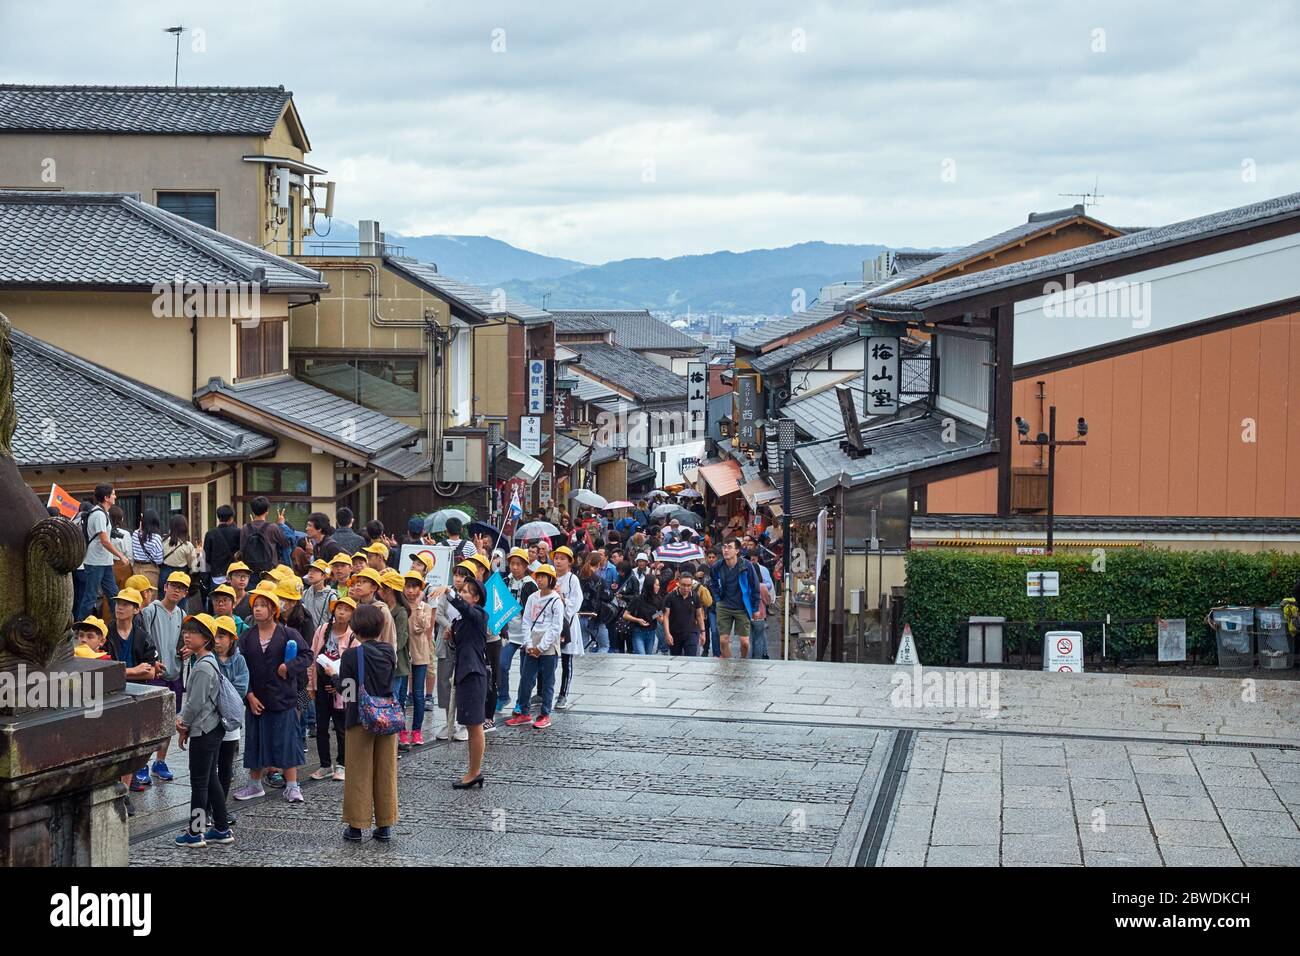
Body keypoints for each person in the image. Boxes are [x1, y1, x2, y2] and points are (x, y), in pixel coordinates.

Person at [231, 584, 311, 804]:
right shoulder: (246, 636)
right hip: (257, 698)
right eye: (255, 605)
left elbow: (307, 655)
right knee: (255, 741)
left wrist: (290, 666)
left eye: (263, 606)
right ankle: (254, 784)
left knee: (287, 741)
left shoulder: (287, 633)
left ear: (273, 610)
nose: (257, 610)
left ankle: (293, 786)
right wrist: (249, 695)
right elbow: (240, 669)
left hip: (283, 697)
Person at [338, 603, 399, 842]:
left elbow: (348, 692)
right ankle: (384, 825)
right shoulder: (388, 652)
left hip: (360, 719)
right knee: (385, 771)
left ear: (355, 628)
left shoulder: (351, 655)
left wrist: (336, 675)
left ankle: (356, 825)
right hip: (387, 717)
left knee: (359, 772)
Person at [173, 613, 234, 848]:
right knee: (210, 780)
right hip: (213, 728)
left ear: (206, 638)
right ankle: (221, 827)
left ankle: (195, 831)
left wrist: (182, 724)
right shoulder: (208, 662)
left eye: (194, 632)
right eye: (186, 631)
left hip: (204, 730)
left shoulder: (203, 667)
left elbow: (194, 703)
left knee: (199, 783)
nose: (187, 636)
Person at [131, 570, 191, 791]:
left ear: (185, 593)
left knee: (168, 721)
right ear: (165, 586)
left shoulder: (182, 613)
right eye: (174, 586)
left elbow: (184, 641)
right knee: (150, 721)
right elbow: (143, 640)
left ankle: (161, 761)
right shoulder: (150, 611)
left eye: (182, 588)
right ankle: (142, 765)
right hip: (155, 674)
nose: (177, 590)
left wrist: (186, 651)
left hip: (174, 672)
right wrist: (151, 660)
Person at [430, 573, 490, 788]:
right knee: (471, 723)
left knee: (475, 726)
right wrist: (451, 639)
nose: (462, 594)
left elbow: (465, 609)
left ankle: (474, 772)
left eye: (466, 592)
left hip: (473, 674)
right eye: (461, 590)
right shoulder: (462, 620)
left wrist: (449, 591)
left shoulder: (479, 614)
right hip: (465, 672)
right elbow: (461, 647)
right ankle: (473, 771)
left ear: (476, 599)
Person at [505, 564, 565, 729]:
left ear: (551, 579)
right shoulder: (532, 597)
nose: (539, 579)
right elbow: (526, 621)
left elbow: (556, 627)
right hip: (531, 641)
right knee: (526, 679)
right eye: (538, 576)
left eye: (543, 576)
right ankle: (524, 713)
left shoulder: (556, 600)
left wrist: (541, 646)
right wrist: (529, 644)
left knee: (547, 681)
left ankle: (545, 714)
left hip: (548, 644)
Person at [308, 595, 354, 782]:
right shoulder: (323, 629)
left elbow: (353, 667)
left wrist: (339, 686)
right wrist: (310, 685)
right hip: (321, 685)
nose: (341, 612)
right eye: (338, 608)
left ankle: (343, 764)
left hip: (342, 687)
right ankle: (325, 765)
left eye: (346, 609)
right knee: (321, 727)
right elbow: (312, 657)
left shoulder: (354, 635)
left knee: (342, 728)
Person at [212, 615, 248, 828]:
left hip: (231, 719)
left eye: (222, 636)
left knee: (226, 765)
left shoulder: (239, 660)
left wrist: (224, 696)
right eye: (215, 636)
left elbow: (241, 688)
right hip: (210, 720)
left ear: (232, 639)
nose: (217, 640)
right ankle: (207, 808)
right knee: (210, 766)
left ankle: (221, 807)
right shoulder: (206, 658)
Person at [77, 483, 127, 620]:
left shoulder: (103, 513)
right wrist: (121, 555)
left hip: (103, 561)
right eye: (113, 494)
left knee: (113, 594)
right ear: (106, 497)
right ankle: (80, 628)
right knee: (90, 596)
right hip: (95, 561)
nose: (115, 496)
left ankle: (118, 623)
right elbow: (104, 540)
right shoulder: (99, 514)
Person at [497, 548, 538, 713]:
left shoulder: (530, 584)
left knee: (525, 671)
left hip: (526, 633)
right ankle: (503, 695)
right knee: (501, 664)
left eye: (518, 564)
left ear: (525, 566)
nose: (514, 567)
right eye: (512, 563)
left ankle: (522, 701)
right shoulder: (506, 581)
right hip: (509, 633)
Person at [378, 570, 412, 750]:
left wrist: (383, 652)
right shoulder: (383, 608)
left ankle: (398, 735)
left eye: (382, 587)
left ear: (389, 589)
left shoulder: (400, 611)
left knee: (395, 699)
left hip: (396, 664)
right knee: (389, 698)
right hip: (384, 663)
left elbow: (400, 639)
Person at [711, 539, 761, 659]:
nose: (726, 550)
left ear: (737, 551)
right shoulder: (717, 566)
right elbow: (713, 583)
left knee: (744, 642)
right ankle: (728, 664)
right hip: (724, 605)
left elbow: (755, 586)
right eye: (724, 547)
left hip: (742, 606)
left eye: (729, 547)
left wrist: (755, 608)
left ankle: (742, 662)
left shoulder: (746, 565)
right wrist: (717, 599)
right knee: (723, 641)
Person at [550, 546, 584, 710]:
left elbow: (576, 603)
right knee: (548, 660)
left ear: (569, 562)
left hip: (567, 625)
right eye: (556, 558)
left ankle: (563, 694)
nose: (558, 561)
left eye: (562, 558)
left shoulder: (572, 580)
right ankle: (544, 692)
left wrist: (562, 599)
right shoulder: (550, 575)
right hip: (550, 624)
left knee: (566, 661)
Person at [403, 572, 434, 746]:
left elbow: (420, 627)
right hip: (403, 654)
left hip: (420, 654)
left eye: (415, 587)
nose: (411, 591)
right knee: (400, 695)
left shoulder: (425, 607)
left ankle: (417, 730)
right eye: (408, 586)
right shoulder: (400, 607)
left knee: (418, 694)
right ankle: (402, 730)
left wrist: (417, 606)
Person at [238, 496, 286, 578]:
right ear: (267, 511)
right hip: (269, 572)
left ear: (252, 511)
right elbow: (285, 544)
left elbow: (242, 548)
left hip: (249, 571)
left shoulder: (245, 528)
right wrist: (281, 525)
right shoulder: (273, 527)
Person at [664, 569, 705, 656]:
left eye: (689, 585)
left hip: (691, 633)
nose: (686, 588)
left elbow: (699, 615)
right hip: (675, 633)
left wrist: (703, 632)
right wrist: (667, 633)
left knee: (691, 659)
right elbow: (666, 616)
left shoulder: (695, 596)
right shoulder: (670, 597)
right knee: (675, 659)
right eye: (684, 585)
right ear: (679, 583)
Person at [159, 515, 200, 601]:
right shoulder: (188, 545)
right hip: (181, 575)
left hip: (164, 573)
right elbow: (194, 566)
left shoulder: (163, 541)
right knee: (181, 602)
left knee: (163, 601)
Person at [202, 505, 242, 589]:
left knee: (217, 600)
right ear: (231, 518)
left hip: (216, 576)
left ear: (218, 517)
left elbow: (206, 557)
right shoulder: (238, 532)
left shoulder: (210, 534)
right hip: (233, 575)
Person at [579, 552, 611, 653]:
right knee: (604, 645)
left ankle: (584, 667)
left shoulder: (578, 577)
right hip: (595, 618)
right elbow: (608, 596)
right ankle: (597, 668)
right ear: (598, 564)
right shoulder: (599, 580)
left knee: (583, 648)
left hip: (580, 616)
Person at [625, 575, 665, 655]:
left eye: (659, 585)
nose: (658, 587)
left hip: (651, 632)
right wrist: (637, 620)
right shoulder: (638, 599)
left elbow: (661, 616)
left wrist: (656, 615)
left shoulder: (659, 600)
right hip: (638, 632)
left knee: (648, 657)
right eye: (656, 585)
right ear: (650, 585)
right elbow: (625, 615)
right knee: (641, 656)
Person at [748, 552, 775, 660]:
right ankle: (758, 658)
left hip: (748, 614)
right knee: (759, 637)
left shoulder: (746, 585)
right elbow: (767, 601)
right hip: (760, 616)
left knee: (749, 638)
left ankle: (749, 657)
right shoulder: (762, 586)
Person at [131, 509, 165, 589]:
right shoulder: (156, 538)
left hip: (136, 568)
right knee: (150, 597)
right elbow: (159, 560)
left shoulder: (135, 534)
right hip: (150, 570)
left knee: (137, 596)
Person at [301, 559, 337, 633]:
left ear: (324, 576)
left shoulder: (331, 597)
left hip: (322, 636)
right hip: (306, 635)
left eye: (315, 571)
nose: (311, 573)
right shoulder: (305, 593)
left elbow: (333, 620)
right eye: (310, 570)